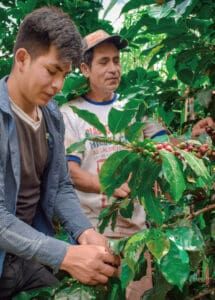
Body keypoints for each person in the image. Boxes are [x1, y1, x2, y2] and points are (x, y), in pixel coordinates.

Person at [0, 8, 119, 299]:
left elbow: (61, 185)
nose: (58, 86)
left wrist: (84, 232)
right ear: (23, 59)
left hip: (30, 255)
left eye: (64, 75)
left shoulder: (52, 116)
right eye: (52, 71)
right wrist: (66, 255)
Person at [61, 30, 168, 299]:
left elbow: (165, 145)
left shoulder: (134, 107)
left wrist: (195, 138)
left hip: (136, 236)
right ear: (85, 68)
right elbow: (71, 172)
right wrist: (110, 186)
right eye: (104, 62)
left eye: (117, 61)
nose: (114, 69)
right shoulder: (70, 114)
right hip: (94, 234)